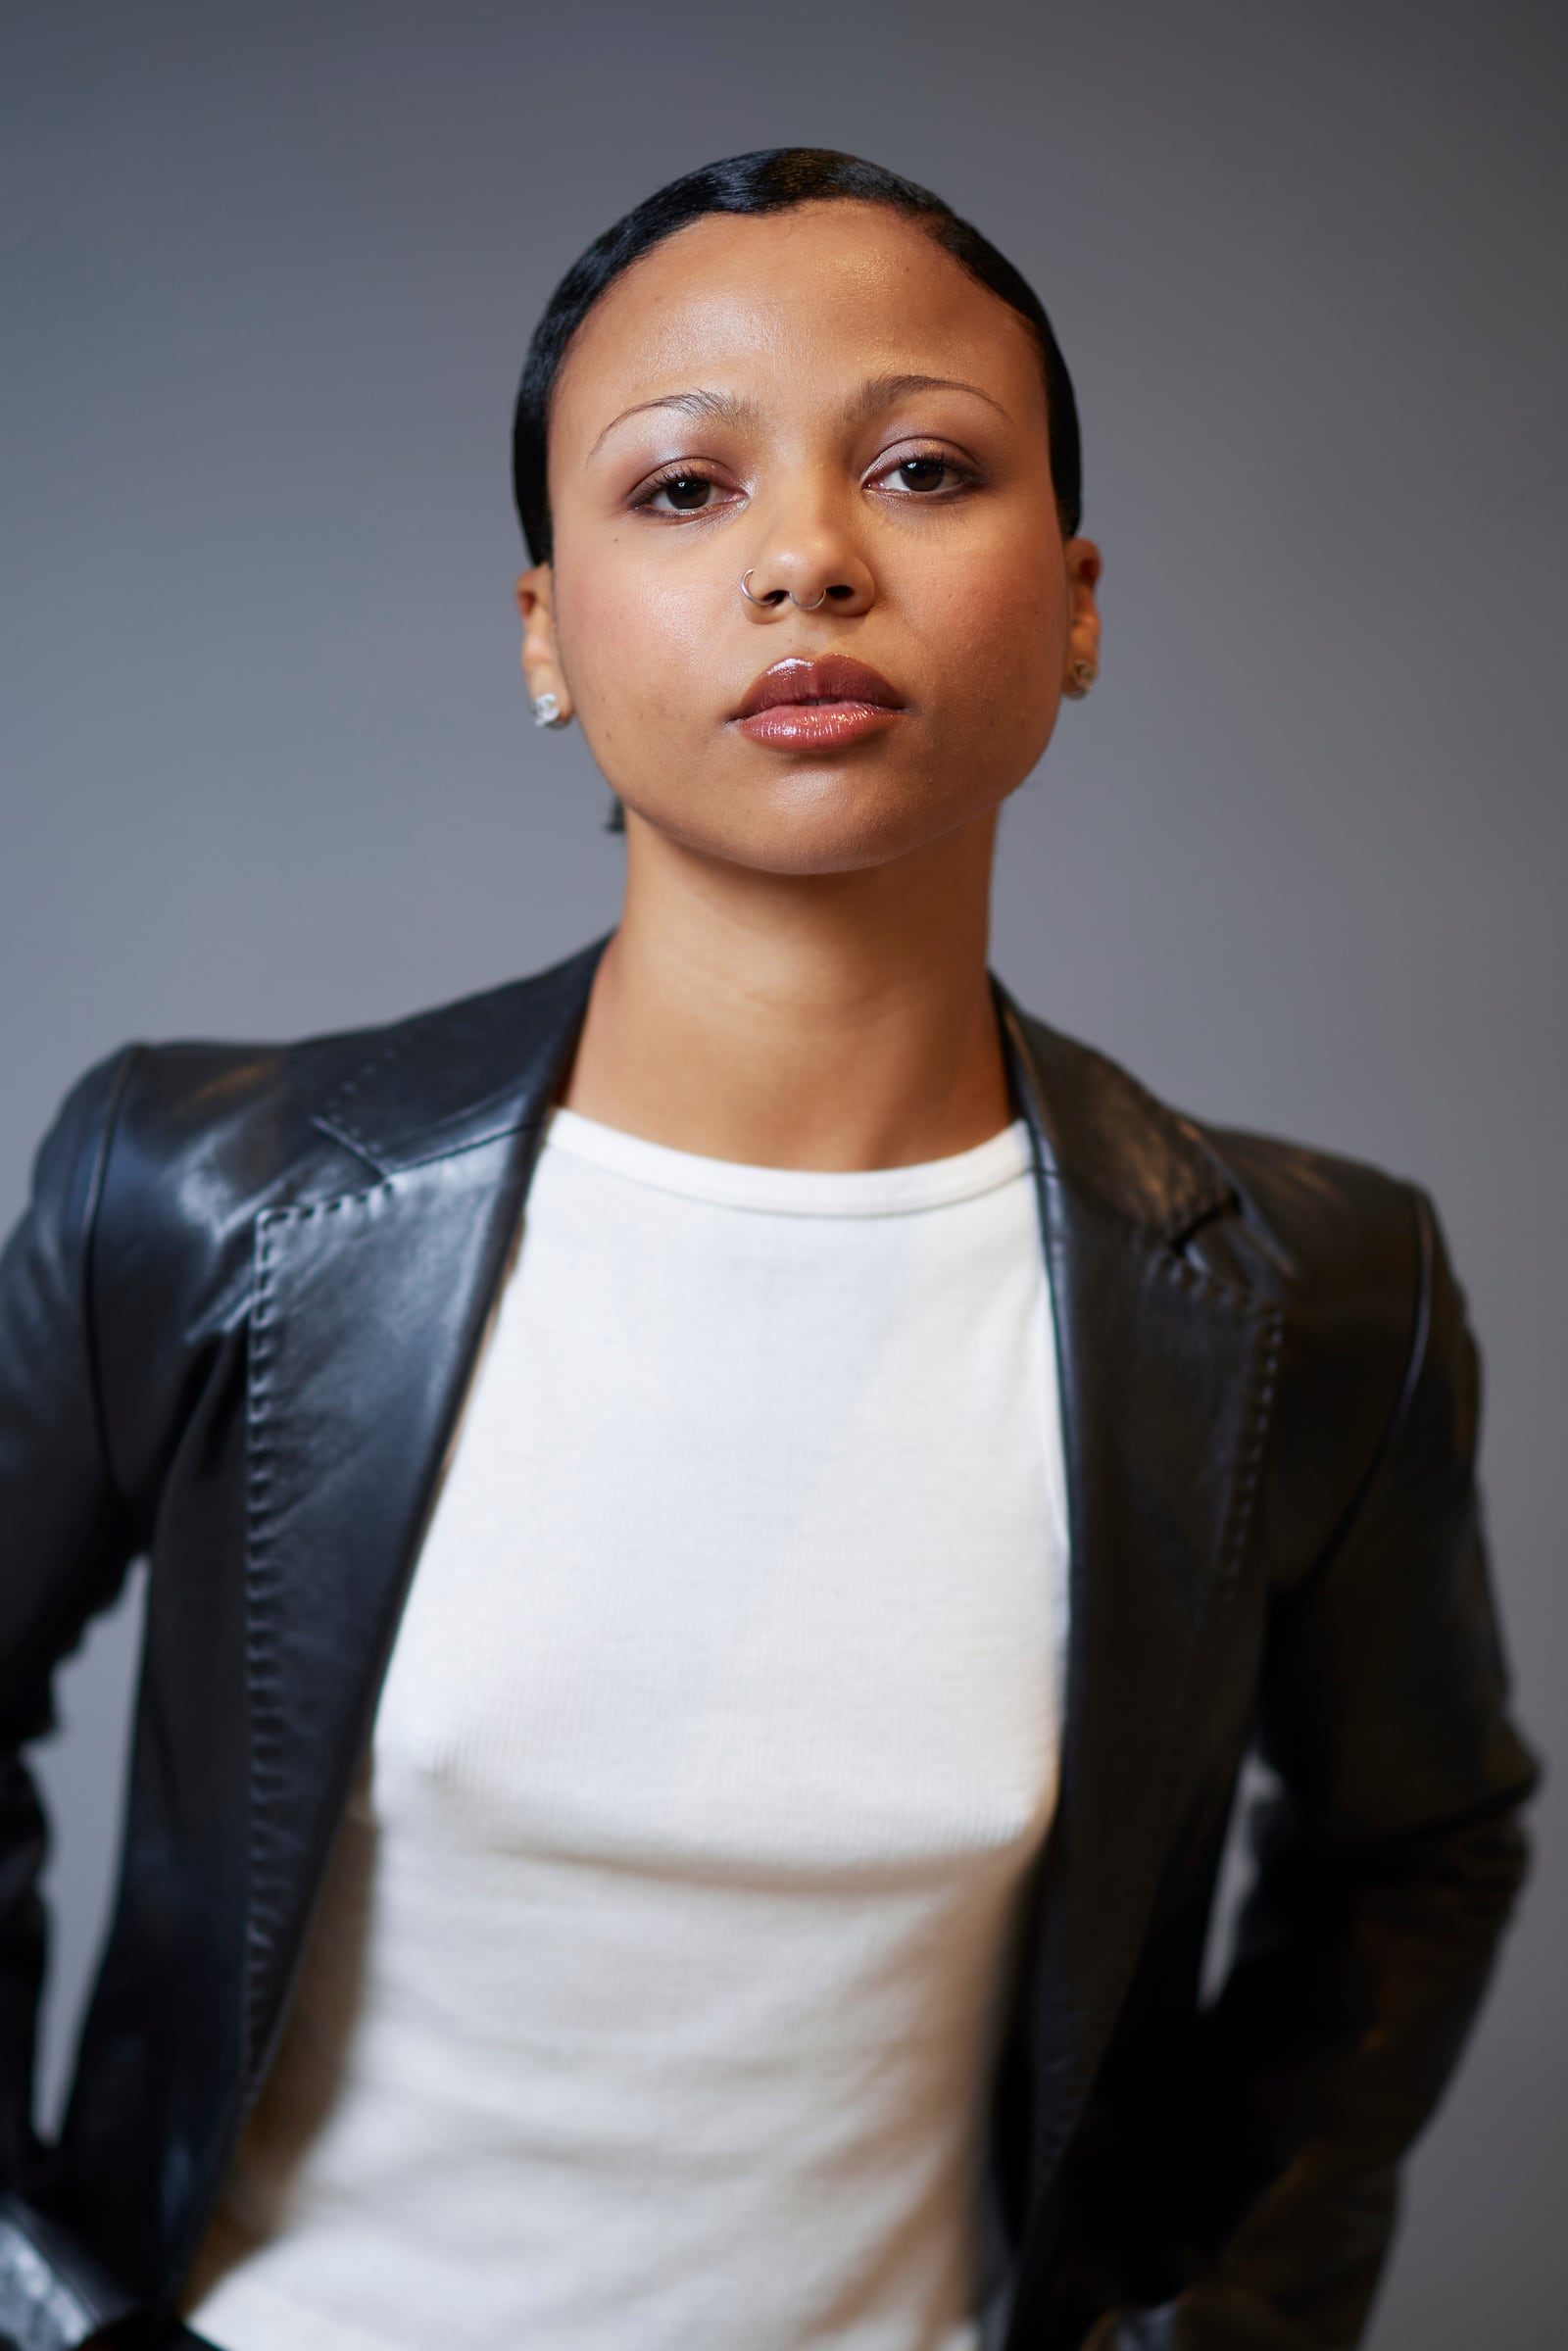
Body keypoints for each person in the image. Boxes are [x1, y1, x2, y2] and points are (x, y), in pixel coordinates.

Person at [0, 147, 1543, 2351]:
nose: (808, 559)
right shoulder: (198, 1190)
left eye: (920, 469)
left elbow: (1419, 1844)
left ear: (1077, 601)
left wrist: (1211, 2327)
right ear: (543, 630)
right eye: (679, 491)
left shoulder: (1309, 1297)